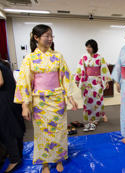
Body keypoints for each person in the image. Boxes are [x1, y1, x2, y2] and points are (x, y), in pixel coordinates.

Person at [14, 24, 78, 173]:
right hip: (39, 102)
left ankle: (59, 159)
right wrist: (25, 105)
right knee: (42, 133)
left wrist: (70, 97)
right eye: (46, 36)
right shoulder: (29, 58)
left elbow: (65, 77)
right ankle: (45, 163)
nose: (50, 39)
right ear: (36, 38)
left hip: (57, 100)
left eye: (51, 35)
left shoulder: (58, 56)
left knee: (59, 131)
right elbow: (24, 82)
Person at [75, 39, 112, 132]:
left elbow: (104, 69)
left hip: (97, 81)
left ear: (94, 47)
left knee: (98, 99)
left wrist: (106, 81)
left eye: (90, 47)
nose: (88, 48)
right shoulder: (83, 57)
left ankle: (102, 115)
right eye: (87, 46)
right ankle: (92, 119)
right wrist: (77, 80)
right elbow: (79, 69)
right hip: (87, 81)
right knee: (88, 100)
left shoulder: (100, 57)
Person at [0, 58, 25, 173]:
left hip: (4, 102)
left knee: (6, 129)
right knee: (15, 126)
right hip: (13, 99)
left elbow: (0, 82)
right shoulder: (3, 64)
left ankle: (15, 159)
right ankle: (18, 154)